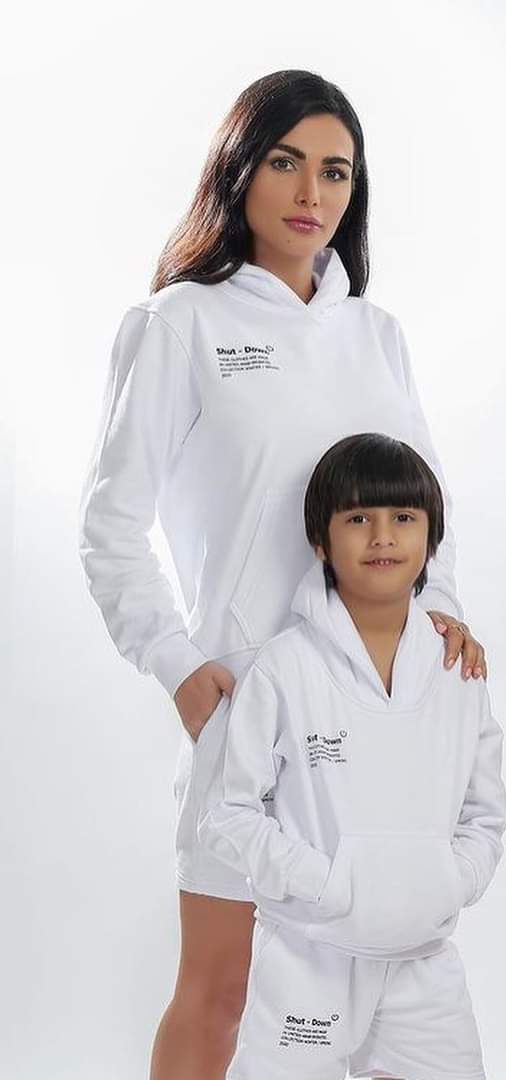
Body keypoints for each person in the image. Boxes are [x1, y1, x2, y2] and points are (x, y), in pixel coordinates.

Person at [79, 70, 485, 1080]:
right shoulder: (179, 324)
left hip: (378, 710)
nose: (312, 192)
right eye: (286, 162)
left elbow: (426, 508)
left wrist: (444, 614)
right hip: (246, 705)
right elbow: (110, 523)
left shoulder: (375, 336)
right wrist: (178, 664)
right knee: (219, 992)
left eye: (336, 172)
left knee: (371, 985)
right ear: (239, 169)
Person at [198, 432, 506, 1079]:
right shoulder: (283, 669)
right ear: (321, 541)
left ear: (432, 538)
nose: (383, 537)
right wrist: (323, 884)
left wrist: (446, 883)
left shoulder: (458, 672)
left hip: (424, 963)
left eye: (404, 518)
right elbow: (228, 813)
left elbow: (484, 813)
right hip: (309, 956)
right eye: (359, 519)